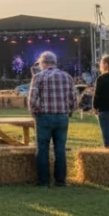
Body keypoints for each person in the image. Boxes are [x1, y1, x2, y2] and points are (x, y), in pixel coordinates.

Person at [28, 51, 77, 187]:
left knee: (42, 149)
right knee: (60, 149)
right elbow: (73, 98)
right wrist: (70, 111)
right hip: (62, 116)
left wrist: (36, 112)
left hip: (44, 116)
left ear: (42, 63)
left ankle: (43, 181)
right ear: (55, 62)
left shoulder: (38, 77)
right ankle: (60, 181)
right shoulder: (67, 77)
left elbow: (32, 100)